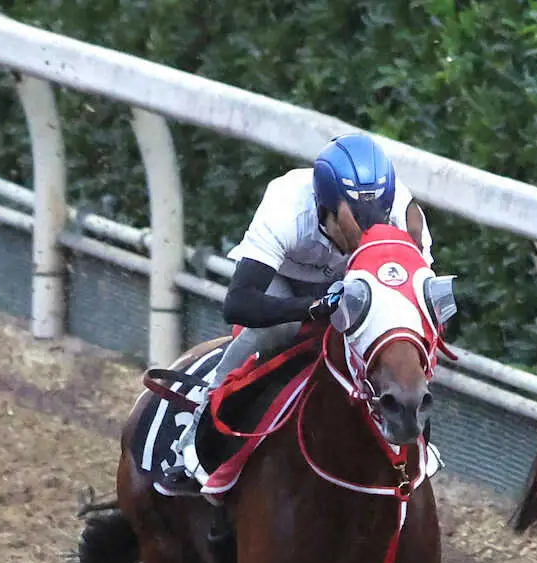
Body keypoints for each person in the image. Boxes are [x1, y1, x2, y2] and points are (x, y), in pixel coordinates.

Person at [167, 132, 432, 483]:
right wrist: (312, 308)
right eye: (354, 225)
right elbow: (239, 303)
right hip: (284, 281)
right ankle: (198, 430)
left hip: (359, 281)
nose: (365, 235)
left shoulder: (403, 213)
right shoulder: (287, 205)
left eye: (375, 222)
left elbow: (417, 302)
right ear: (324, 207)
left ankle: (420, 445)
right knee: (274, 332)